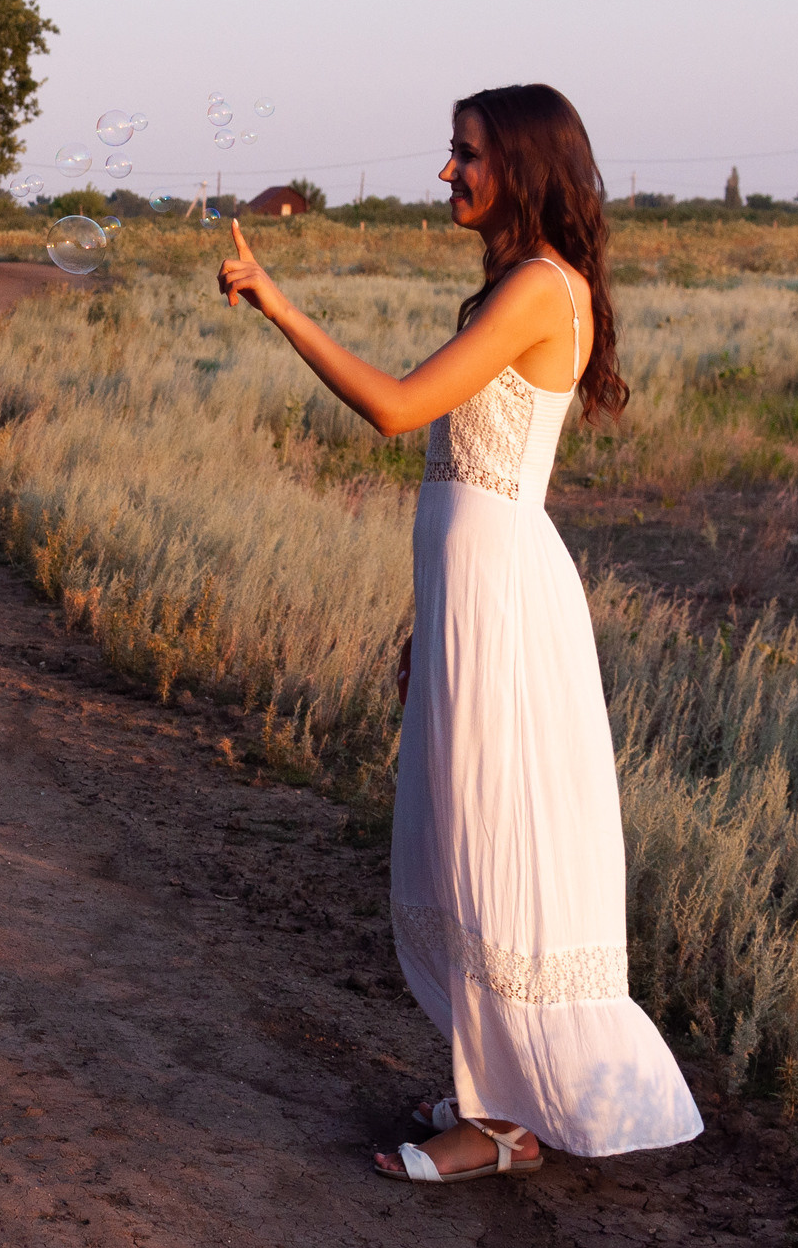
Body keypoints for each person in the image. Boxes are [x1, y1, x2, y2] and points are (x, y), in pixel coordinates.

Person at [218, 83, 702, 1183]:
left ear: (523, 166)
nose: (448, 173)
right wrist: (421, 623)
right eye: (452, 153)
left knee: (492, 845)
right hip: (471, 591)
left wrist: (279, 303)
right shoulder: (520, 282)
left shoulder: (538, 287)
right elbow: (456, 470)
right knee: (466, 835)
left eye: (466, 154)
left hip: (505, 594)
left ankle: (496, 1124)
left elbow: (397, 411)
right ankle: (500, 1092)